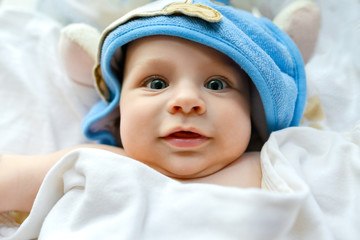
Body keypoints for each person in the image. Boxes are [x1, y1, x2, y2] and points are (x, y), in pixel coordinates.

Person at [0, 0, 306, 214]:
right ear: (118, 112)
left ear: (253, 112)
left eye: (216, 84)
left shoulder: (277, 164)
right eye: (157, 83)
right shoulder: (95, 163)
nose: (186, 101)